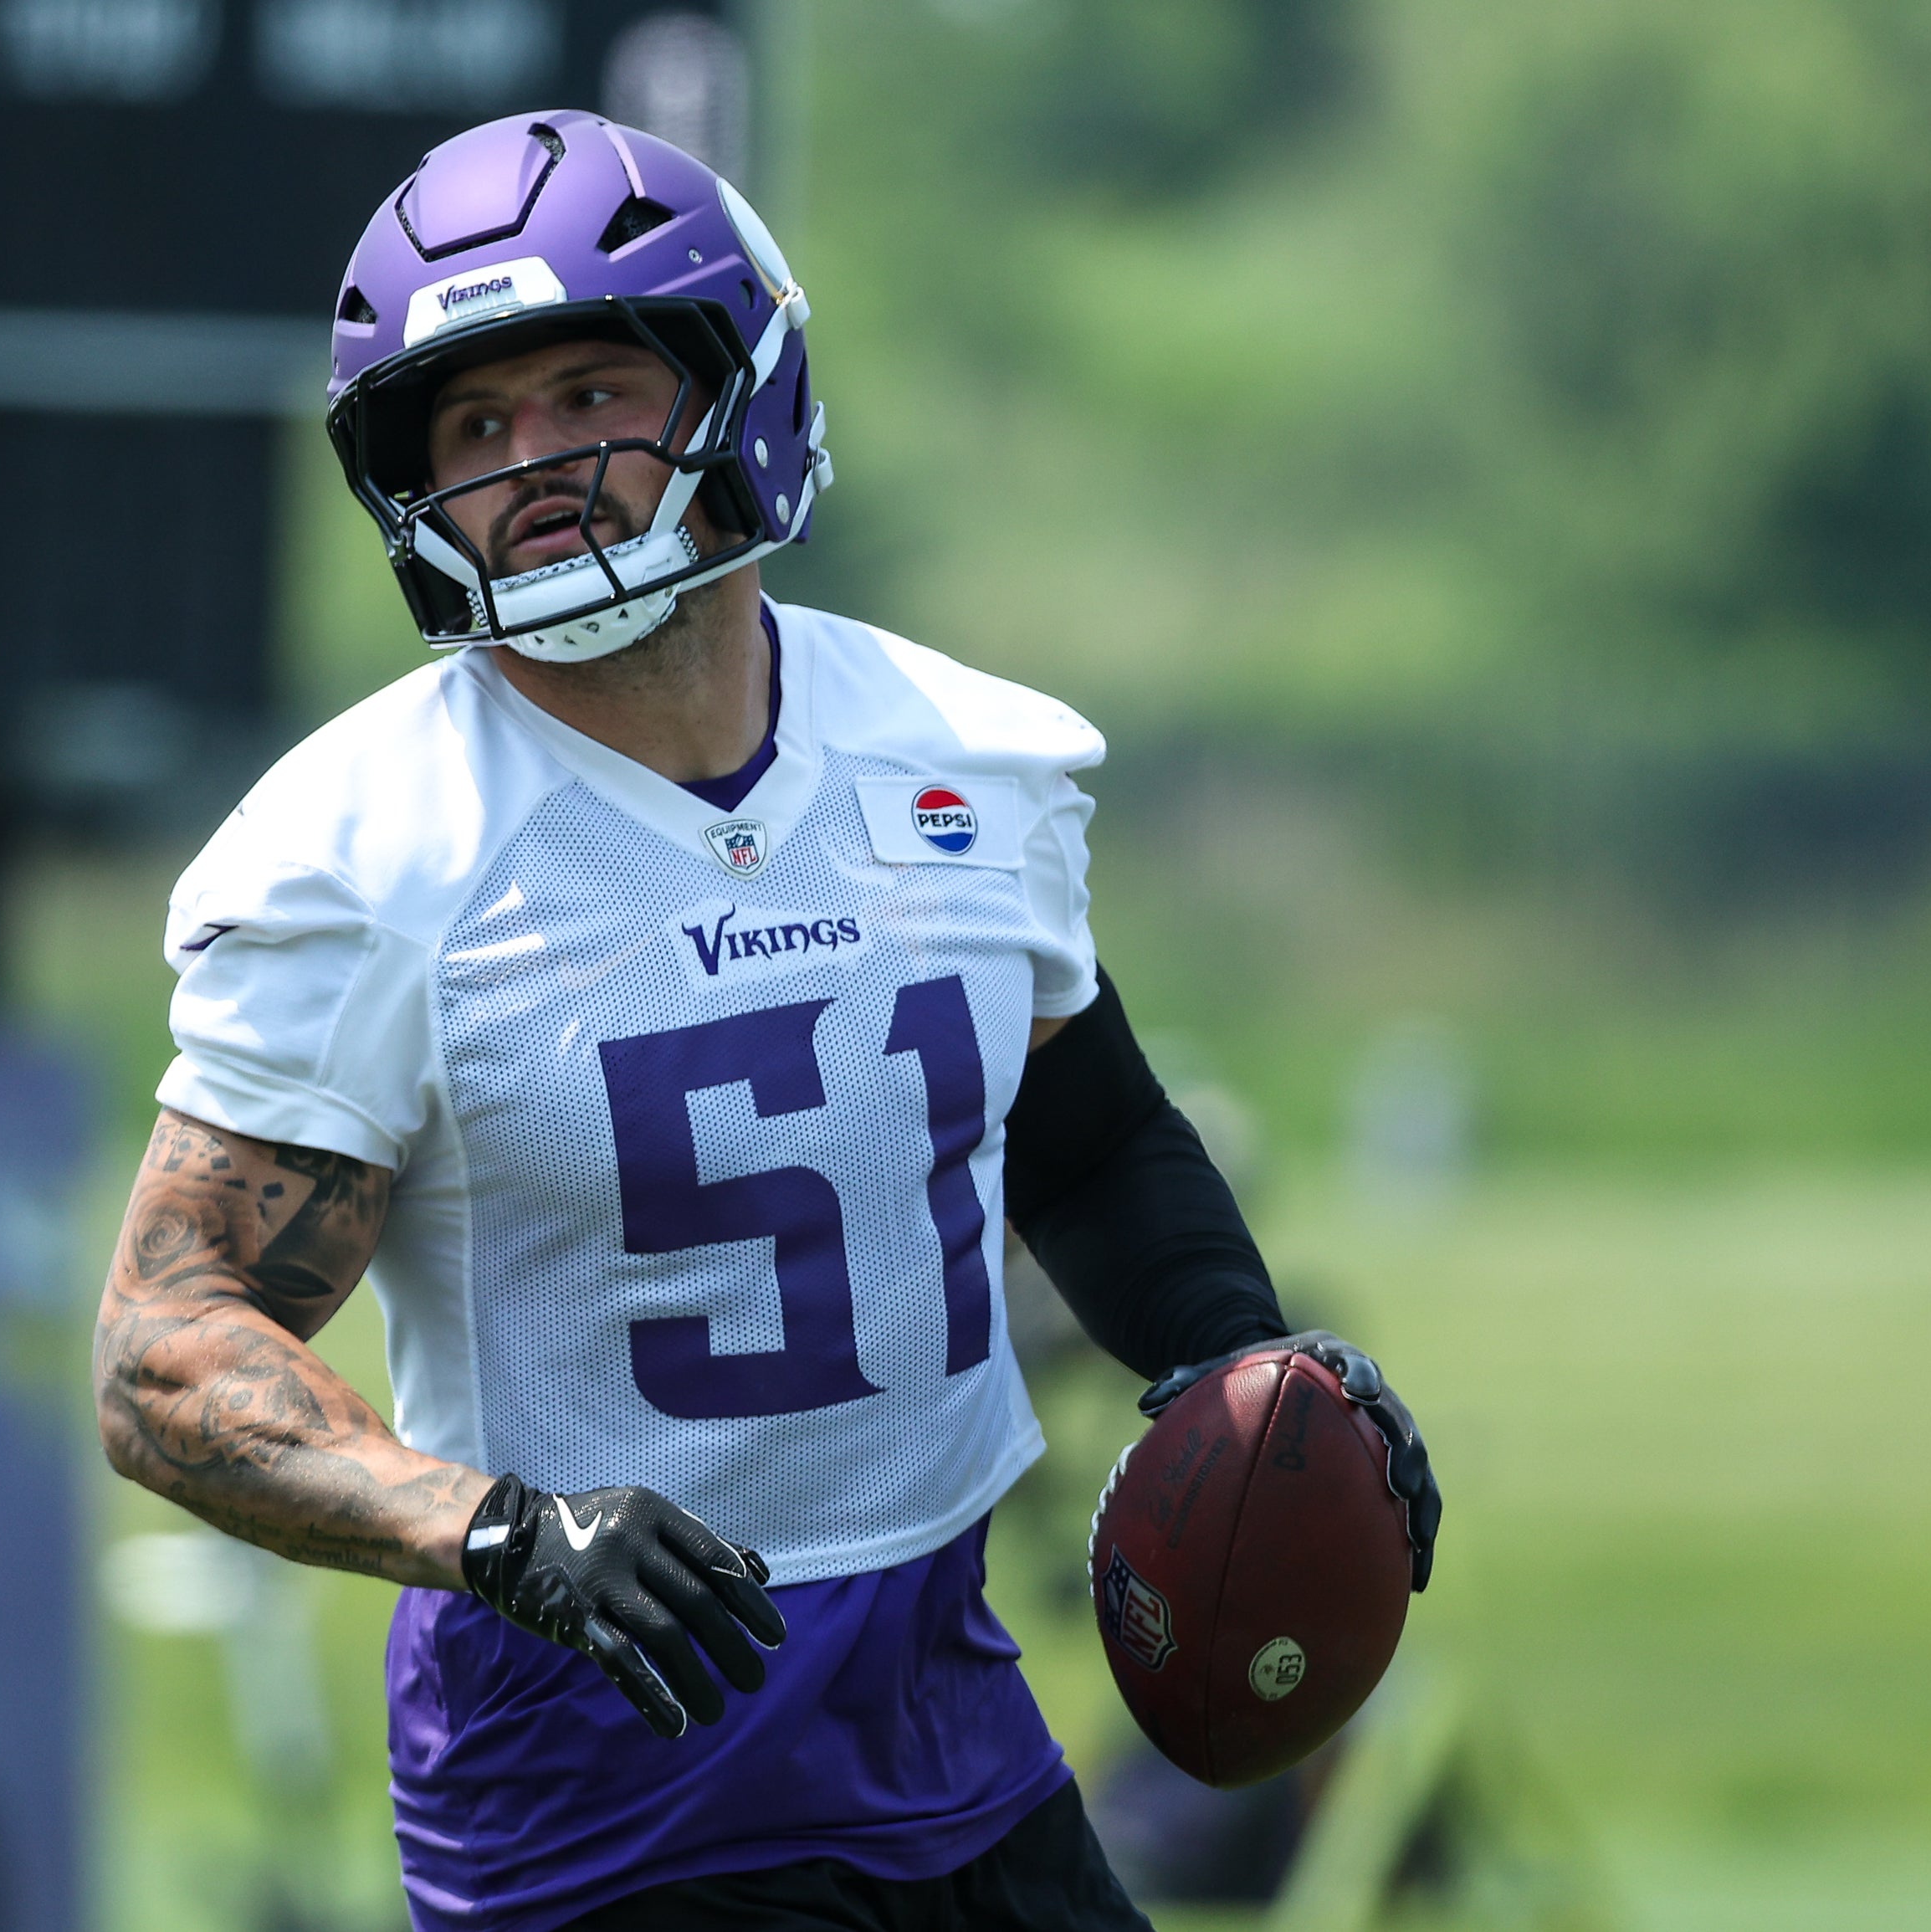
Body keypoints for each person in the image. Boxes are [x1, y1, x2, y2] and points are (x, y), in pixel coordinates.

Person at [93, 111, 1441, 1932]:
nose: (533, 466)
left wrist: (1239, 1366)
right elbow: (165, 1344)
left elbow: (1089, 1135)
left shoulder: (961, 761)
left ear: (739, 389)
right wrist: (493, 1529)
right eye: (473, 428)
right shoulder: (365, 856)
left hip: (948, 1742)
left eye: (585, 393)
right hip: (604, 1809)